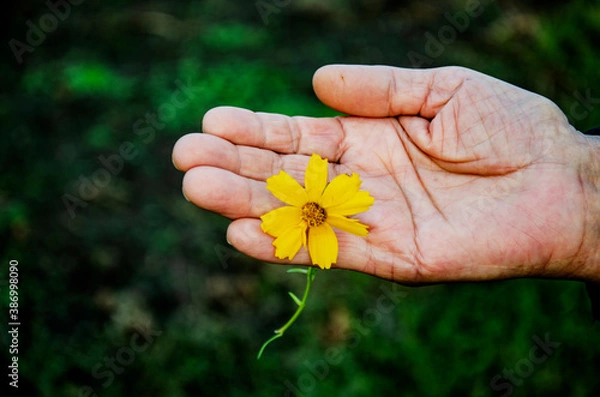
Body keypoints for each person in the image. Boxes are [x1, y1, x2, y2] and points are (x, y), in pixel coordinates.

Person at [172, 64, 599, 295]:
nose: (313, 212)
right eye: (312, 211)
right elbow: (294, 204)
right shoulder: (299, 204)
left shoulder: (329, 206)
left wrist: (579, 175)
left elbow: (339, 207)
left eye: (315, 211)